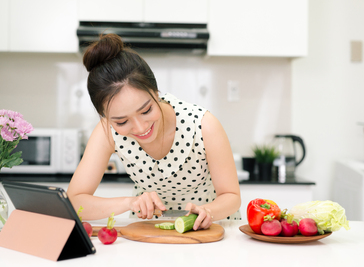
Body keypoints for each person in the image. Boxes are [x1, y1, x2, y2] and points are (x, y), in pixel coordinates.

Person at [67, 34, 241, 231]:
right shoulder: (106, 132)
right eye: (122, 121)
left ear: (156, 93)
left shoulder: (202, 124)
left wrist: (208, 212)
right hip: (148, 229)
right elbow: (74, 201)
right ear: (104, 117)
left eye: (146, 110)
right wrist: (129, 203)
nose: (140, 128)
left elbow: (231, 196)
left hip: (210, 229)